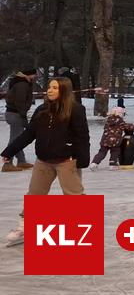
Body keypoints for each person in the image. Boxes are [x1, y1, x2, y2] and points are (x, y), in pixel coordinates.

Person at [2, 78, 90, 244]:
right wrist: (9, 151)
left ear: (64, 90)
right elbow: (29, 134)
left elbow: (82, 136)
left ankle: (80, 229)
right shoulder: (42, 109)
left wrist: (82, 159)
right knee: (35, 195)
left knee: (74, 196)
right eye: (49, 87)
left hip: (66, 160)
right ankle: (25, 226)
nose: (50, 90)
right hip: (43, 160)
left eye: (55, 88)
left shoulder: (76, 109)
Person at [3, 69, 36, 172]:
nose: (35, 77)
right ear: (29, 75)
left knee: (17, 138)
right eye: (34, 75)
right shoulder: (22, 84)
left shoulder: (20, 81)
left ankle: (21, 161)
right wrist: (23, 114)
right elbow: (20, 101)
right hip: (16, 114)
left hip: (14, 113)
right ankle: (7, 163)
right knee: (15, 140)